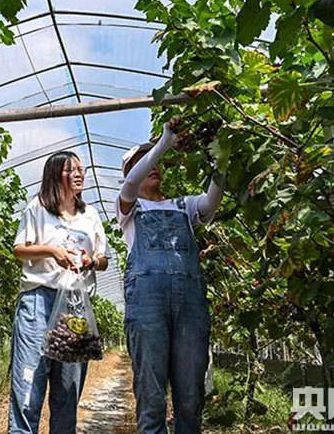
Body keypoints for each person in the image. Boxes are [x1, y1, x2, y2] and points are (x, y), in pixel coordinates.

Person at [118, 117, 223, 434]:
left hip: (190, 305)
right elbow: (129, 186)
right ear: (130, 172)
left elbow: (213, 199)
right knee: (151, 397)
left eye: (154, 161)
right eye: (141, 162)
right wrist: (162, 144)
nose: (153, 165)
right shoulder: (129, 209)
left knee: (190, 396)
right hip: (147, 304)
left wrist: (222, 157)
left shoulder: (185, 205)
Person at [9, 151, 109, 434]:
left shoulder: (90, 215)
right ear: (56, 175)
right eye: (72, 170)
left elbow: (103, 259)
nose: (79, 174)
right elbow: (19, 249)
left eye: (81, 169)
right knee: (28, 386)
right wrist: (52, 251)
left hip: (75, 305)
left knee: (68, 388)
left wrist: (91, 261)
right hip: (39, 300)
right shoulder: (37, 208)